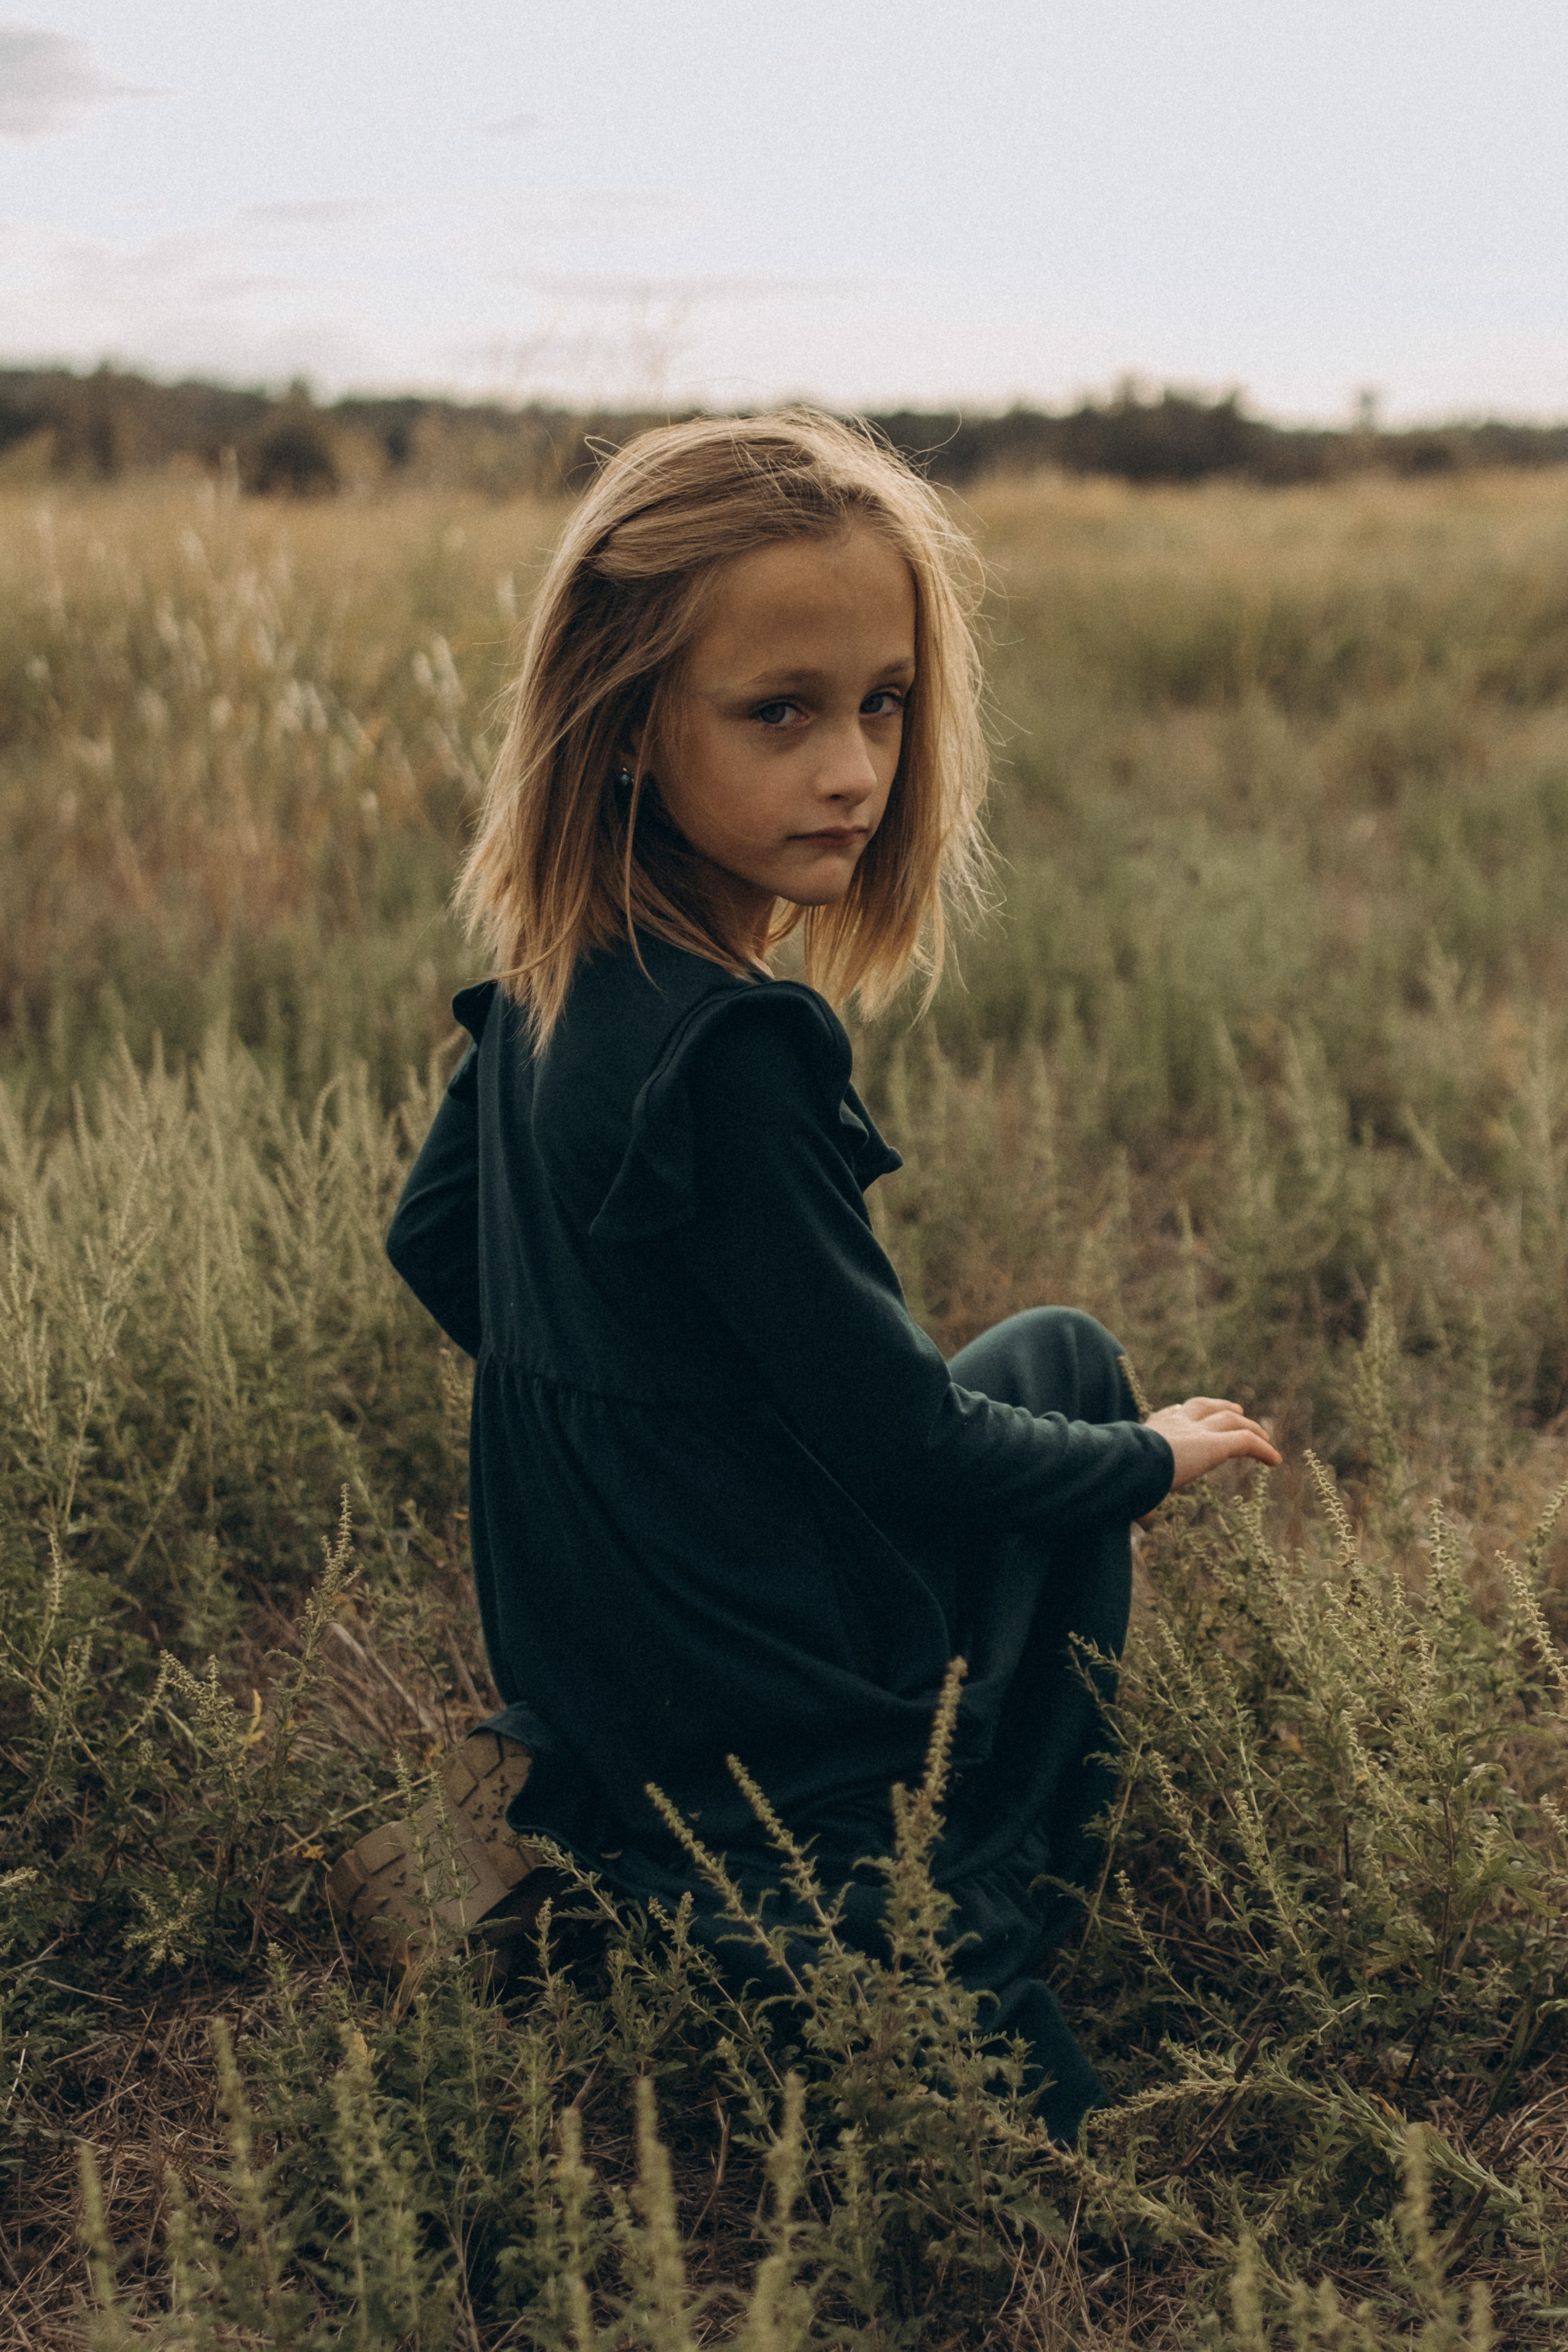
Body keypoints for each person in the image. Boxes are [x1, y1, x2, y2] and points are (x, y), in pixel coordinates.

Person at [328, 411, 1280, 2142]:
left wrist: (642, 1435)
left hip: (606, 1620)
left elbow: (430, 1242)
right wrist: (1157, 1462)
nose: (854, 767)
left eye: (885, 702)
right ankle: (938, 1890)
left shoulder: (557, 963)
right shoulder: (737, 1050)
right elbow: (912, 1448)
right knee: (1053, 2130)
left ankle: (623, 1821)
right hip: (759, 1672)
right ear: (622, 727)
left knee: (1057, 1352)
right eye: (781, 712)